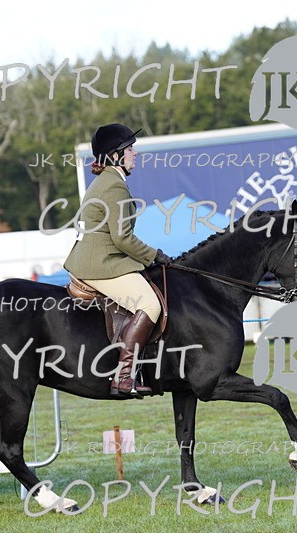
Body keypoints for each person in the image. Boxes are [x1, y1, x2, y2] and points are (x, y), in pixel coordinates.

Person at [64, 123, 172, 398]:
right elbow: (122, 238)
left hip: (99, 257)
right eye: (129, 149)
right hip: (100, 263)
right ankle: (123, 377)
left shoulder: (106, 182)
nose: (134, 153)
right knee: (149, 304)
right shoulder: (114, 186)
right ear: (115, 156)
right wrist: (153, 255)